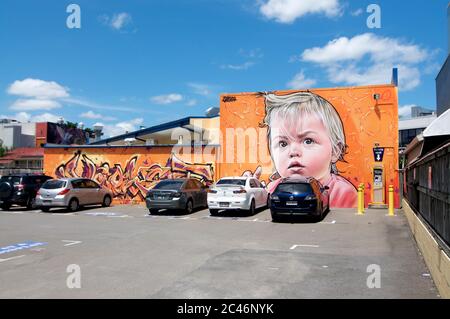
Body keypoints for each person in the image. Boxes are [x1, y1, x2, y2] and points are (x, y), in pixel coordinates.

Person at [260, 91, 357, 208]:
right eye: (283, 143)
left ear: (335, 150)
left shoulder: (343, 193)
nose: (293, 152)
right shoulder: (272, 189)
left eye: (308, 141)